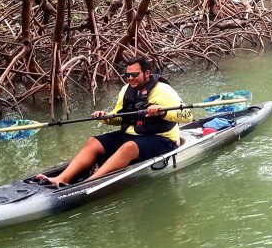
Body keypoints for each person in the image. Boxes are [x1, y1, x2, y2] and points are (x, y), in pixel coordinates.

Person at [39, 55, 184, 187]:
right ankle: (61, 178)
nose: (130, 78)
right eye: (127, 75)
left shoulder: (163, 90)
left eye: (135, 74)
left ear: (146, 73)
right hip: (132, 136)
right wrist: (107, 117)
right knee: (93, 142)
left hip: (163, 139)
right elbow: (120, 117)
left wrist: (163, 111)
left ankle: (89, 183)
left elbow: (187, 115)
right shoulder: (126, 89)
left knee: (129, 147)